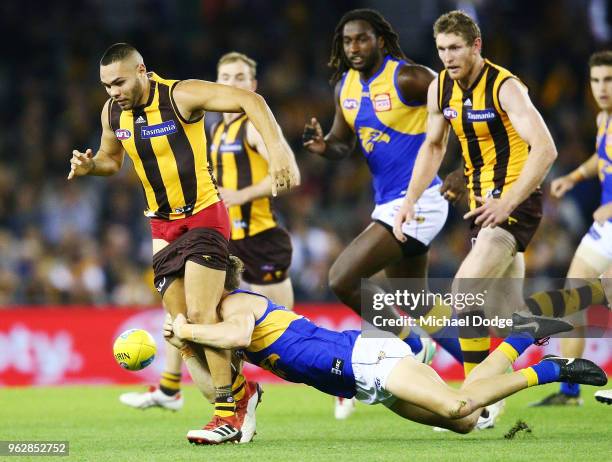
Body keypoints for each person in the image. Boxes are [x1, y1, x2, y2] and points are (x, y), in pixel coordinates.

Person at [68, 43, 297, 443]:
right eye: (106, 85)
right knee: (183, 332)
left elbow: (251, 100)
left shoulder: (180, 95)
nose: (114, 91)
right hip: (160, 227)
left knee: (201, 314)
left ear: (142, 70)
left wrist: (277, 150)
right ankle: (242, 397)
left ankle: (226, 415)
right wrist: (91, 167)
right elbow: (111, 159)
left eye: (120, 82)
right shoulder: (112, 112)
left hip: (205, 216)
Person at [162, 255, 606, 444]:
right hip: (363, 384)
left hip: (366, 359)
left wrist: (188, 328)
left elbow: (238, 338)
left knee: (456, 405)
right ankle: (521, 337)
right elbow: (221, 390)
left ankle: (551, 369)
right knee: (467, 420)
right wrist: (185, 348)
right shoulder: (214, 328)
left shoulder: (236, 305)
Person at [302, 8, 464, 419]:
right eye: (347, 41)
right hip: (390, 202)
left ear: (381, 40)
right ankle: (486, 369)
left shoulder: (409, 77)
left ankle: (412, 346)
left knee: (342, 278)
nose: (354, 48)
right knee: (418, 300)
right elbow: (343, 143)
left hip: (421, 199)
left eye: (362, 39)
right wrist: (326, 148)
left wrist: (464, 169)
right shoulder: (346, 86)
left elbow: (460, 109)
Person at [393, 11, 558, 412]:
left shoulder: (506, 88)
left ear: (476, 45)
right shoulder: (439, 89)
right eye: (442, 49)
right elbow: (433, 146)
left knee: (464, 290)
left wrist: (509, 201)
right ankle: (538, 341)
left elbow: (546, 148)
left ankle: (474, 400)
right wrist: (410, 199)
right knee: (505, 317)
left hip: (516, 202)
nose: (448, 57)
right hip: (480, 206)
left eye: (456, 48)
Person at [529, 50, 612, 406]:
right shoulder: (604, 119)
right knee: (572, 296)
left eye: (608, 80)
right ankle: (570, 390)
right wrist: (575, 176)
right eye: (596, 80)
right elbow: (603, 156)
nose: (601, 88)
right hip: (606, 227)